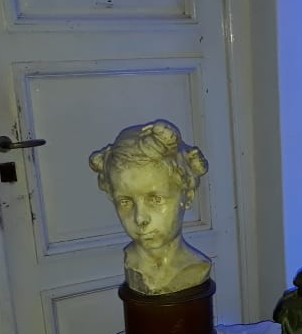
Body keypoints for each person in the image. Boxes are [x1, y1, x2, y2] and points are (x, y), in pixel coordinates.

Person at [88, 120, 211, 295]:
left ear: (188, 196)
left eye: (155, 199)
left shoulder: (196, 267)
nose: (140, 218)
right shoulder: (131, 260)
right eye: (125, 202)